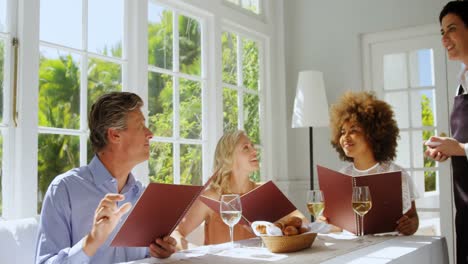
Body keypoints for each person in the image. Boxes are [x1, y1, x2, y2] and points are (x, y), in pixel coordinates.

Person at [35, 92, 176, 263]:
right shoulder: (64, 189)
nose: (150, 133)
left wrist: (159, 252)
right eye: (140, 126)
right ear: (114, 134)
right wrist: (92, 240)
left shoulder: (144, 196)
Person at [173, 130, 307, 250]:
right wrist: (183, 248)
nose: (254, 151)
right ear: (229, 157)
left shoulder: (265, 191)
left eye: (252, 146)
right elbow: (176, 231)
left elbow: (302, 221)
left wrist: (273, 227)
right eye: (246, 148)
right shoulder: (211, 196)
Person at [329, 91, 419, 235]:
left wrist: (410, 225)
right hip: (352, 249)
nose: (345, 137)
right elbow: (337, 225)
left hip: (388, 248)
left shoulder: (395, 174)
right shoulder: (342, 175)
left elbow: (413, 218)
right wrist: (327, 222)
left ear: (373, 134)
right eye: (342, 131)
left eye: (354, 130)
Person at [425, 2, 468, 263]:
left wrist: (460, 148)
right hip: (464, 203)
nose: (445, 38)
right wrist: (446, 148)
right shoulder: (462, 81)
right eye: (442, 32)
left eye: (451, 29)